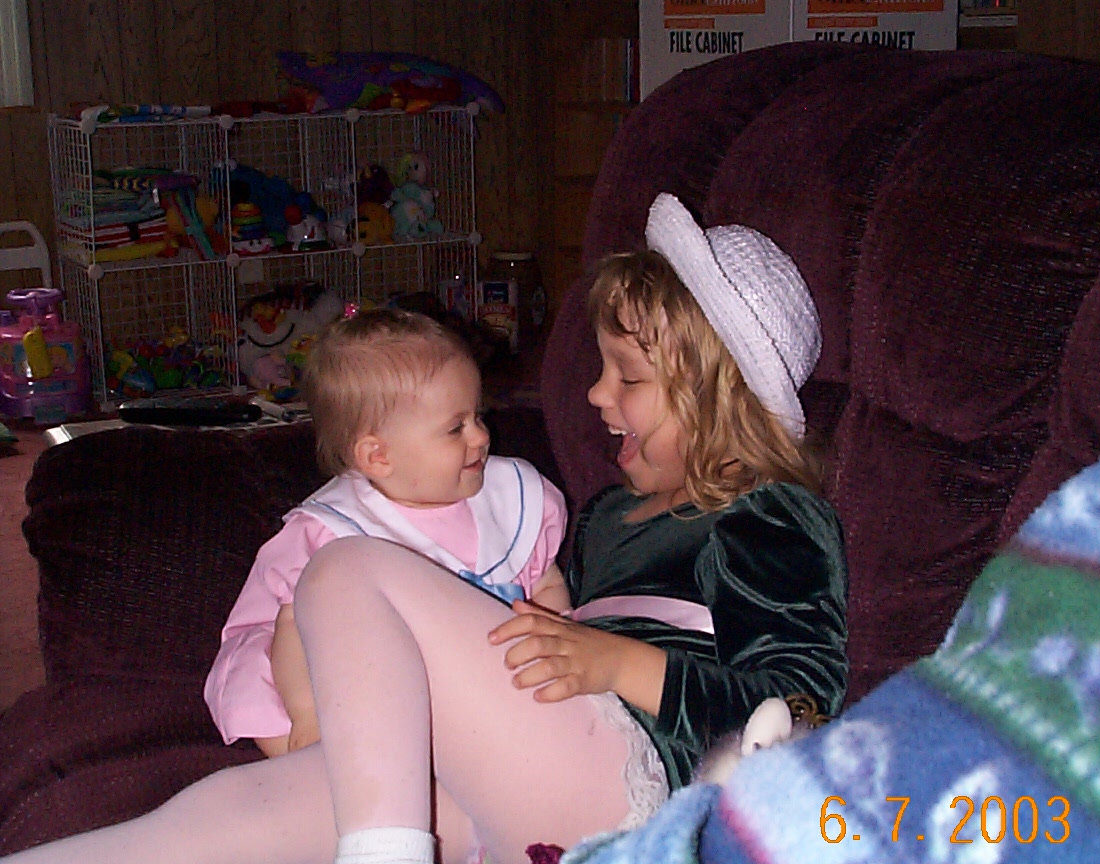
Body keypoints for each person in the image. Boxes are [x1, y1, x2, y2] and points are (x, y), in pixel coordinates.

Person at [0, 193, 848, 864]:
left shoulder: (769, 513)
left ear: (719, 397)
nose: (595, 394)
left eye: (626, 377)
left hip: (639, 781)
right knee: (256, 805)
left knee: (346, 568)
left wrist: (618, 663)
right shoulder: (605, 515)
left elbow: (806, 705)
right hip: (522, 781)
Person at [204, 307, 571, 757]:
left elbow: (545, 581)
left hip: (482, 678)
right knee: (265, 684)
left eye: (478, 415)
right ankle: (314, 762)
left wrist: (556, 638)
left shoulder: (511, 499)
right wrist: (308, 714)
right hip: (355, 676)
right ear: (378, 456)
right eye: (455, 428)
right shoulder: (334, 532)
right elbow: (294, 627)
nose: (481, 437)